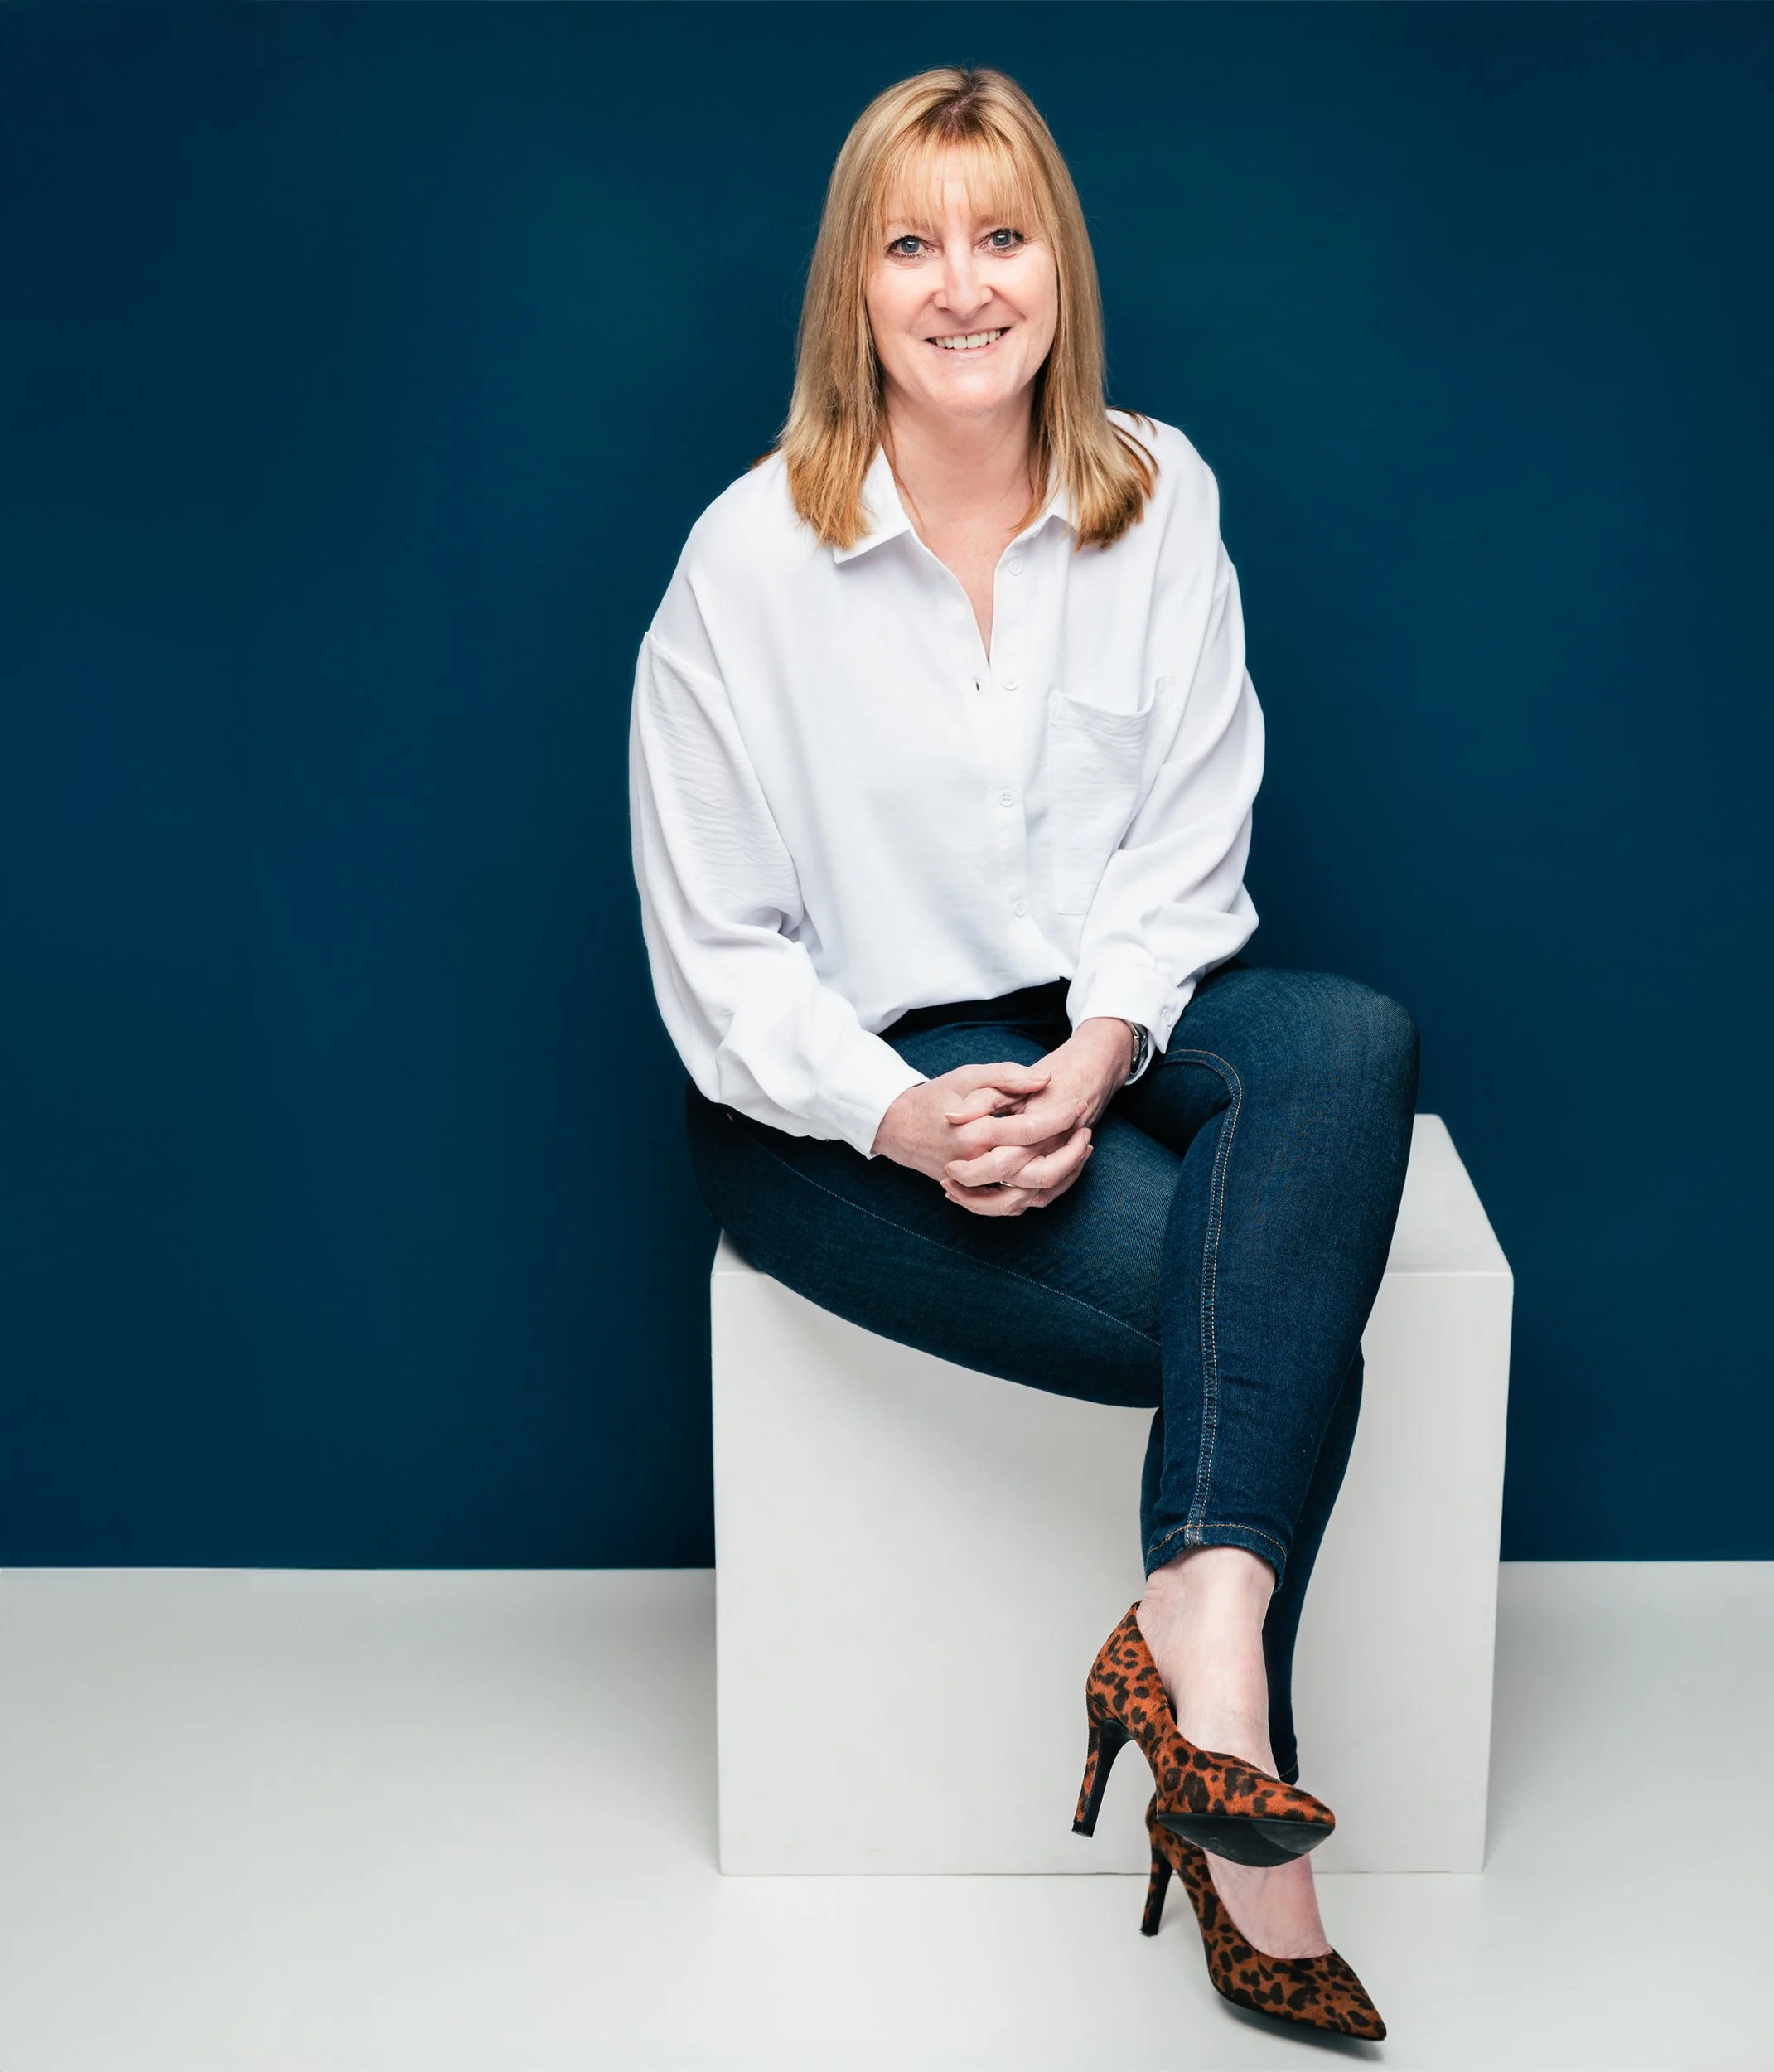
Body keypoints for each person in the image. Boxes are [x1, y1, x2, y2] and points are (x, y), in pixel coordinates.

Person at [628, 65, 1418, 2041]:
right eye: (911, 244)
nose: (960, 284)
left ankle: (1197, 1631)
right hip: (829, 1094)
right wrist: (895, 1108)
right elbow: (716, 952)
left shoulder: (1158, 490)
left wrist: (1104, 1035)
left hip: (1094, 1015)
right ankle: (1259, 1861)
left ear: (1059, 265)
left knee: (1345, 1038)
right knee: (1266, 1303)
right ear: (854, 289)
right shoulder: (745, 563)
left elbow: (1189, 828)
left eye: (1001, 236)